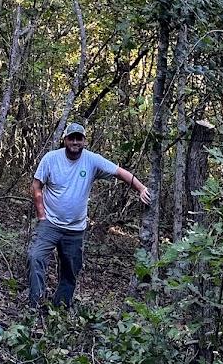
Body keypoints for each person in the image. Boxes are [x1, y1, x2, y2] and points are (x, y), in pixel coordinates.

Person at [27, 122, 151, 308]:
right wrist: (42, 216)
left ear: (84, 141)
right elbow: (37, 187)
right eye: (71, 138)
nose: (75, 142)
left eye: (79, 138)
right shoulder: (51, 159)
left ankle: (59, 309)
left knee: (71, 271)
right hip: (50, 224)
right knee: (35, 257)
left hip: (75, 229)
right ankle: (35, 305)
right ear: (65, 140)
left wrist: (141, 188)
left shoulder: (92, 160)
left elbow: (119, 172)